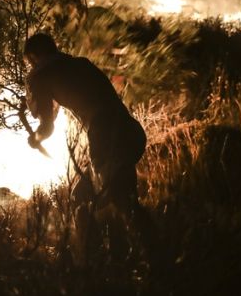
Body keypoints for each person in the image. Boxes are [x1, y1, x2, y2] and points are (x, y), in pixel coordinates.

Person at [23, 32, 149, 262]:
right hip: (129, 130)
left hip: (105, 136)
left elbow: (47, 126)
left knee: (120, 202)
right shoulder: (80, 63)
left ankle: (105, 261)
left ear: (33, 56)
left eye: (30, 61)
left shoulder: (41, 75)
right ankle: (126, 256)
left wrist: (36, 139)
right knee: (90, 195)